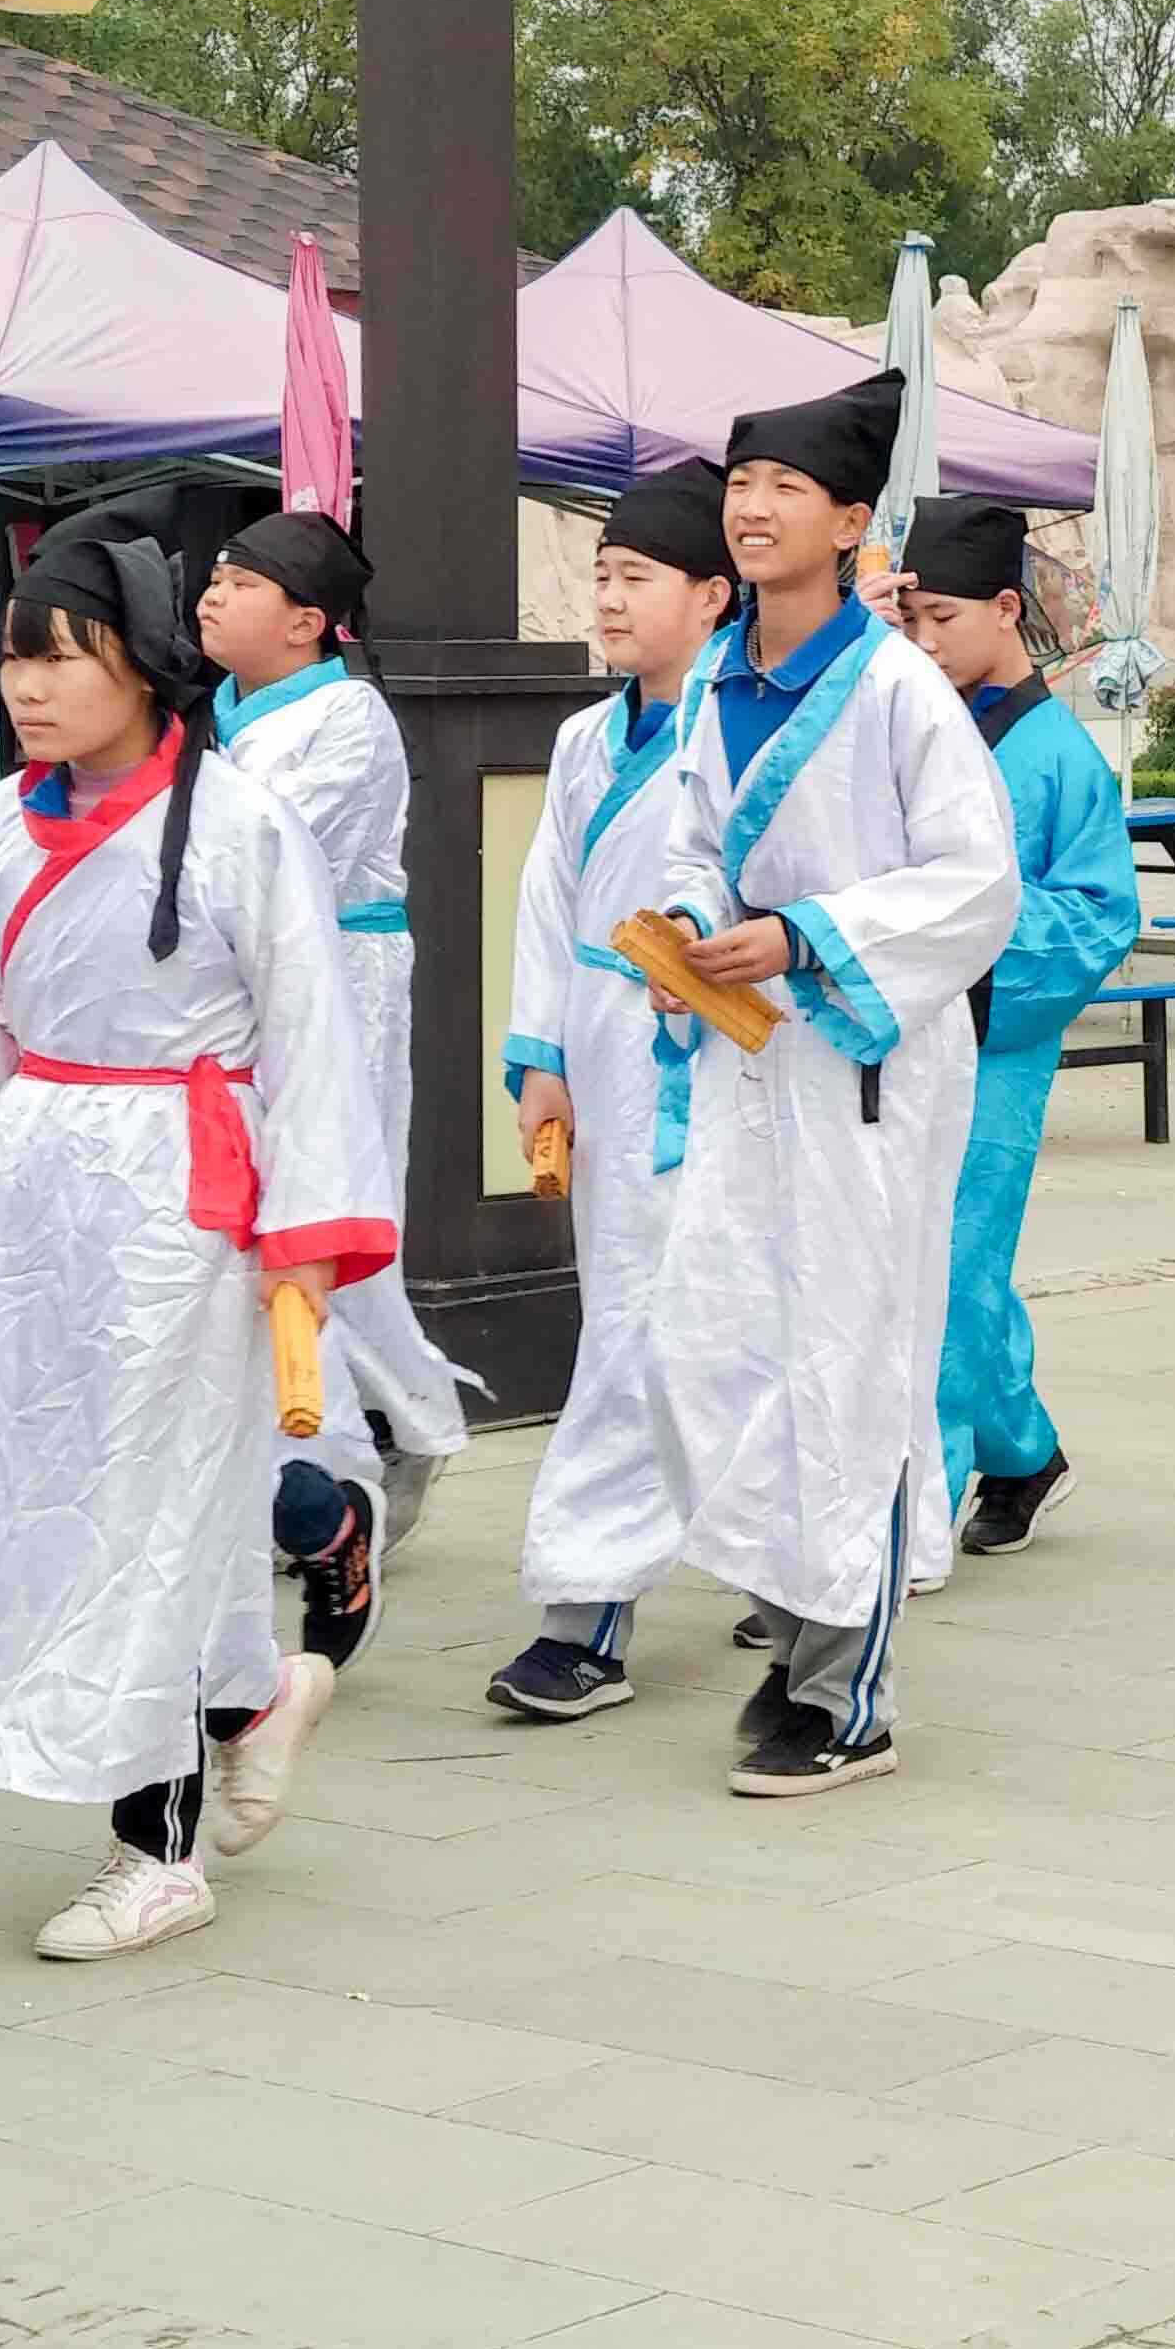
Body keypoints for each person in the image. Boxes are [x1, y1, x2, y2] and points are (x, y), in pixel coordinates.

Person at [0, 513, 391, 1957]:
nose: (27, 686)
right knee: (60, 1480)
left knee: (141, 1504)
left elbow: (309, 1030)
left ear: (144, 666)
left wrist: (303, 1233)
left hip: (179, 1197)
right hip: (42, 1173)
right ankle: (250, 1697)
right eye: (15, 656)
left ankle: (155, 1848)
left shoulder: (240, 824)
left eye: (63, 657)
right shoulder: (2, 816)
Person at [648, 374, 1022, 1784]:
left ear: (853, 523)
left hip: (865, 1067)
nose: (752, 510)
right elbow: (694, 839)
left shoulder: (900, 690)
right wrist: (690, 921)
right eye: (741, 485)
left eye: (787, 490)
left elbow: (977, 884)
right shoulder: (719, 679)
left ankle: (844, 1684)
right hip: (748, 1056)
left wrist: (807, 935)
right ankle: (793, 1616)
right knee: (722, 1340)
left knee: (852, 1358)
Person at [487, 469, 739, 1721]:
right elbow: (546, 900)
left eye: (636, 577)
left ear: (713, 595)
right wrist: (540, 1055)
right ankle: (760, 1558)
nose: (609, 599)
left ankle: (596, 1602)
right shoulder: (587, 738)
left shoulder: (744, 730)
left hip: (715, 1047)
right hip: (602, 1038)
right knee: (639, 1309)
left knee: (685, 1319)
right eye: (600, 576)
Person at [198, 512, 479, 1636]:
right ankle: (335, 1450)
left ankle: (406, 1426)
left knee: (334, 1222)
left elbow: (268, 859)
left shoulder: (348, 720)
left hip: (339, 984)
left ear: (308, 622)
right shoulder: (218, 713)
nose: (213, 595)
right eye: (215, 577)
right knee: (278, 1228)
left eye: (241, 582)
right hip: (242, 990)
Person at [885, 490, 1139, 1560]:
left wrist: (962, 933)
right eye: (909, 619)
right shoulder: (901, 723)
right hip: (892, 1030)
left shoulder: (1059, 754)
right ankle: (1024, 1449)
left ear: (1004, 608)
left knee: (948, 1265)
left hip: (994, 1042)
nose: (924, 639)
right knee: (912, 1261)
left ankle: (912, 1513)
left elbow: (1102, 916)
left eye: (942, 617)